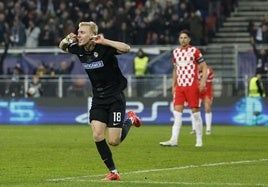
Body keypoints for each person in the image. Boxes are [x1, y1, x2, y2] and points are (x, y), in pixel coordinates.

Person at [59, 21, 142, 181]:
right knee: (97, 135)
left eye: (82, 32)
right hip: (98, 99)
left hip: (115, 97)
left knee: (114, 141)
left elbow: (126, 48)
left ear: (92, 35)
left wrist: (105, 41)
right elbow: (62, 47)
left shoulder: (104, 48)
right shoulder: (79, 48)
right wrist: (67, 38)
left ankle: (130, 118)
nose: (79, 34)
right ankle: (114, 172)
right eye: (78, 31)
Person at [159, 29, 207, 147]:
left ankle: (199, 139)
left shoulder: (194, 51)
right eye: (181, 38)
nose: (183, 40)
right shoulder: (175, 52)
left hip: (192, 85)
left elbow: (204, 67)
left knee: (195, 113)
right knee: (177, 113)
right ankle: (174, 140)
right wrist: (173, 85)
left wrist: (203, 82)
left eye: (185, 38)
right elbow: (175, 69)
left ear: (189, 39)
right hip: (180, 86)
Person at [190, 66, 214, 135]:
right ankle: (194, 128)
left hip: (206, 91)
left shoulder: (209, 70)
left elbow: (206, 82)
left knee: (207, 108)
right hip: (197, 91)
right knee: (194, 108)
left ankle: (208, 129)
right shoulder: (193, 69)